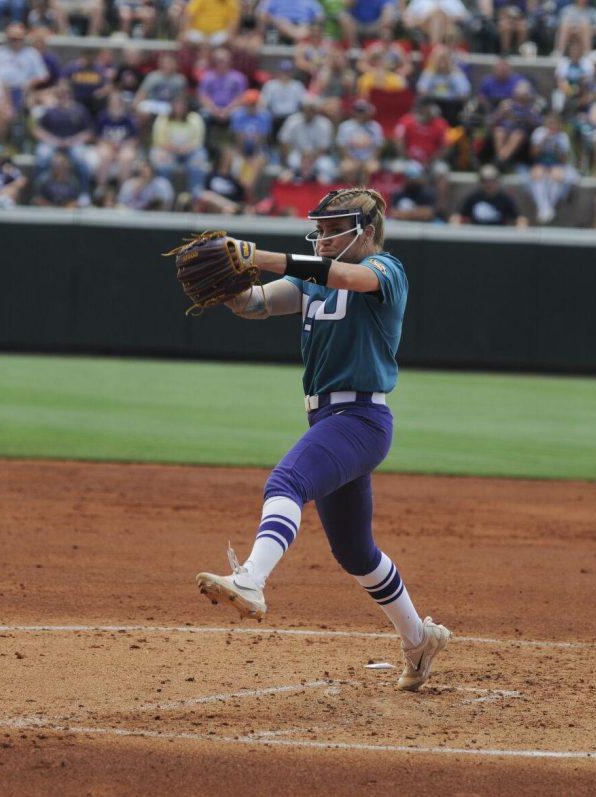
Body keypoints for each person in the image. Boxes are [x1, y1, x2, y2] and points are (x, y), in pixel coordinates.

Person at [194, 187, 452, 692]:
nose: (326, 237)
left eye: (337, 229)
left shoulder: (387, 271)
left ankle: (251, 578)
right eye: (323, 229)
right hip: (328, 421)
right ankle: (419, 638)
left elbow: (349, 278)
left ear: (369, 231)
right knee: (356, 552)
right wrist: (226, 281)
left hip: (360, 418)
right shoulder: (312, 279)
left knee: (286, 480)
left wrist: (260, 255)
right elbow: (254, 305)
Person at [451, 164, 527, 225]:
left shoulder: (505, 198)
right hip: (475, 238)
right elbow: (456, 216)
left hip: (499, 238)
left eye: (492, 180)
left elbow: (520, 219)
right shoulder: (473, 197)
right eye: (485, 180)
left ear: (497, 181)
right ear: (480, 181)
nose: (489, 184)